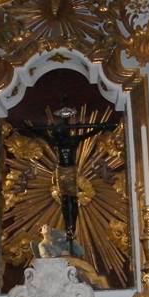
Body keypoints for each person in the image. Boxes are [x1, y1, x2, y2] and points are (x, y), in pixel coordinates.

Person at [19, 101, 117, 253]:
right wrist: (30, 129)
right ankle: (69, 225)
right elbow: (42, 134)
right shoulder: (57, 142)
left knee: (71, 199)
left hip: (71, 172)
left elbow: (88, 134)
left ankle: (71, 226)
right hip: (61, 172)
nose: (57, 133)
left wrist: (101, 127)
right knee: (66, 200)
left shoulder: (72, 140)